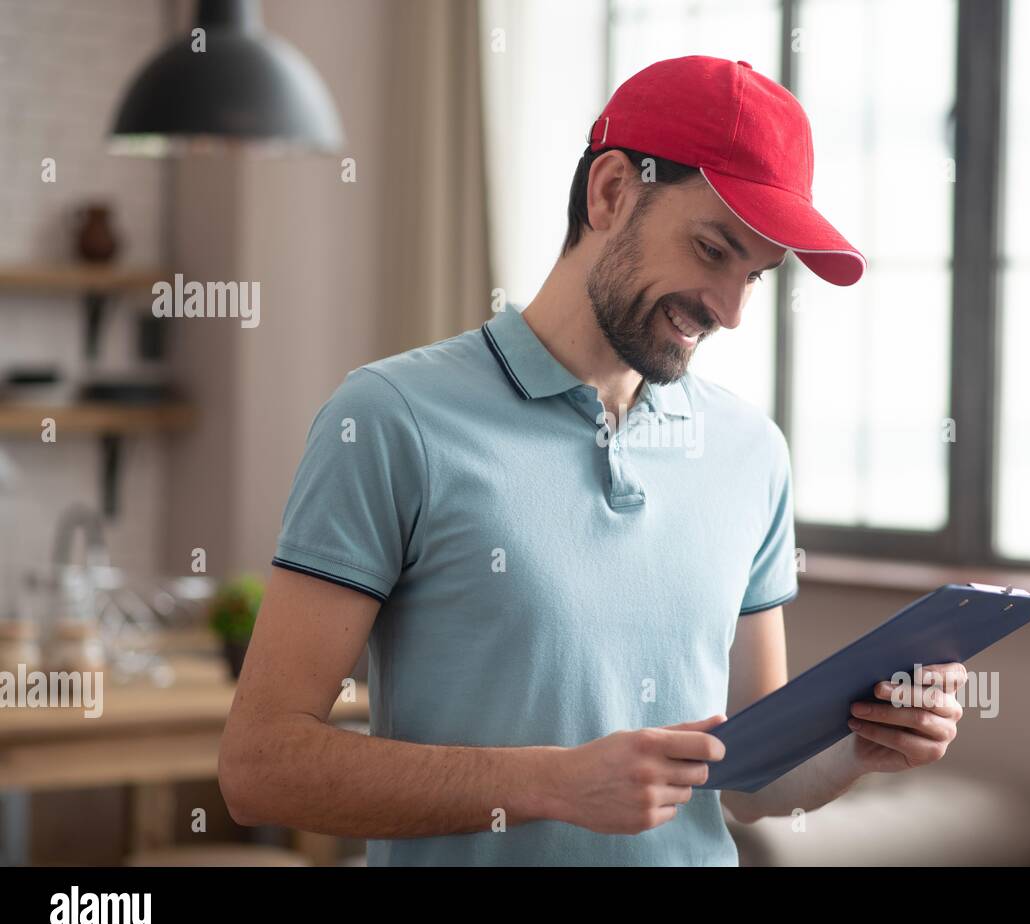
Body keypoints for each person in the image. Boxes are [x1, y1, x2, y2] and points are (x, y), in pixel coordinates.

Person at [219, 55, 966, 866]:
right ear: (611, 192)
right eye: (713, 249)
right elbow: (261, 767)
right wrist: (552, 785)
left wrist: (864, 745)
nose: (731, 310)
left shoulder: (752, 453)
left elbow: (749, 780)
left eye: (755, 274)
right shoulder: (390, 419)